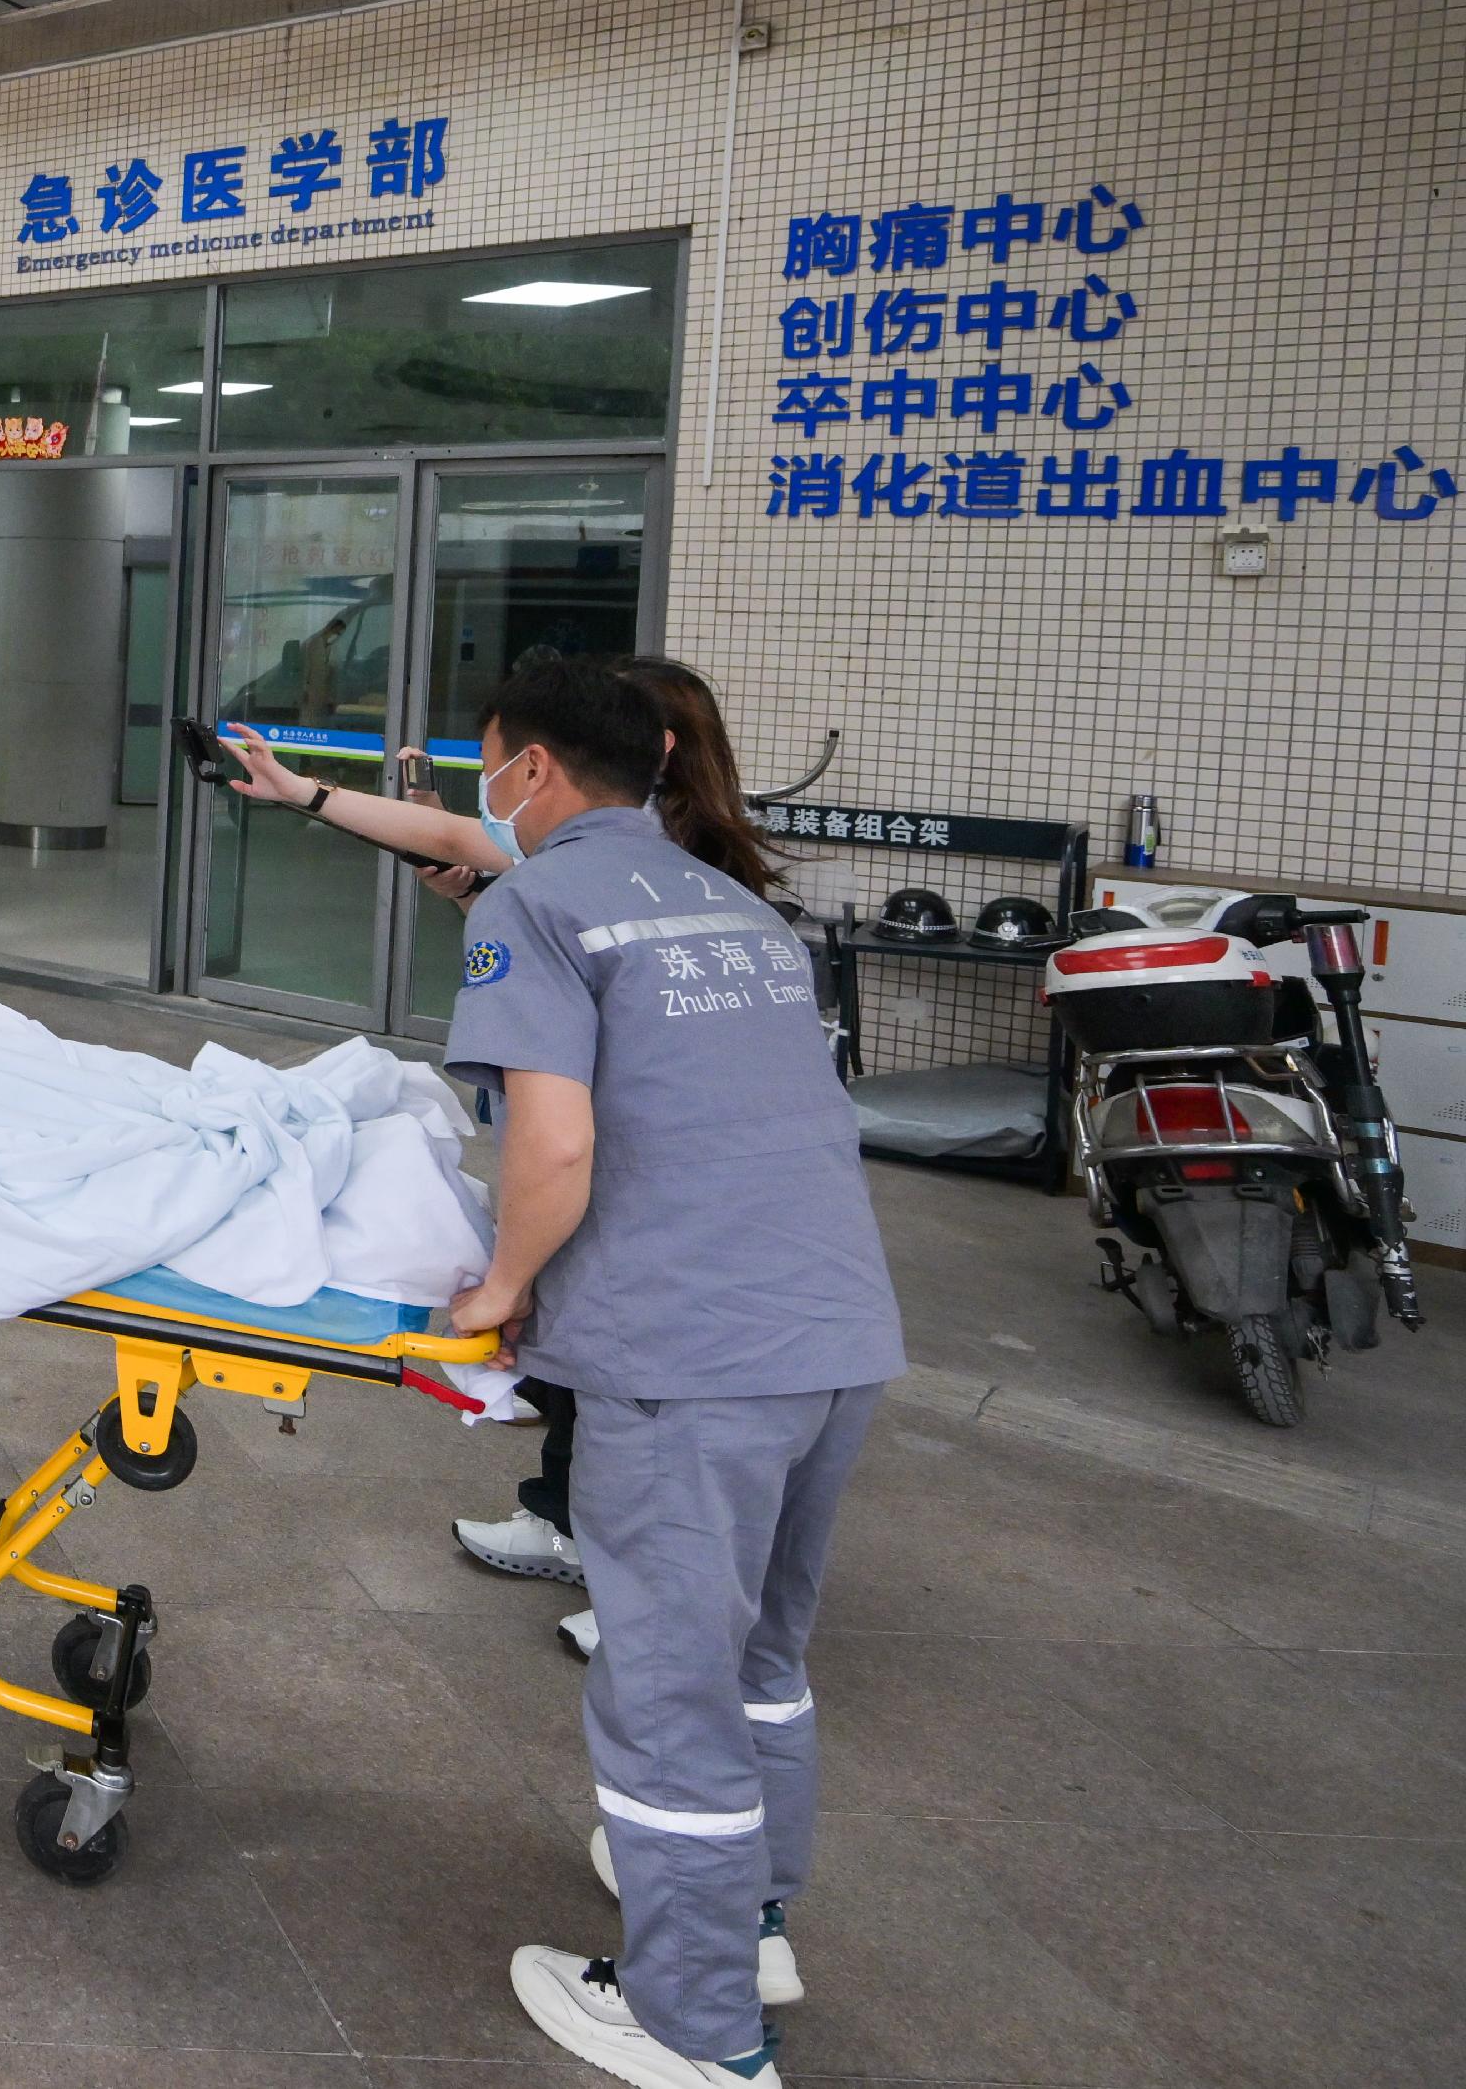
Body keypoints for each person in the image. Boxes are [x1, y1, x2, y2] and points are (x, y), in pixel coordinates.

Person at [436, 652, 900, 2089]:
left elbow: (553, 1143)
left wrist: (499, 1288)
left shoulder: (537, 903)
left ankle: (696, 2022)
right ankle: (749, 1923)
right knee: (761, 1659)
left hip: (685, 1352)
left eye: (491, 759)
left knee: (667, 1691)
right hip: (832, 1330)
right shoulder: (741, 907)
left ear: (532, 768)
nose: (484, 787)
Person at [216, 655, 792, 1659]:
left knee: (661, 1423)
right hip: (705, 1231)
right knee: (597, 1388)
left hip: (666, 1213)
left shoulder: (640, 875)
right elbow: (452, 839)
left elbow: (559, 1132)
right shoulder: (626, 867)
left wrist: (504, 1282)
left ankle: (654, 1603)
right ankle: (586, 1535)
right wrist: (303, 791)